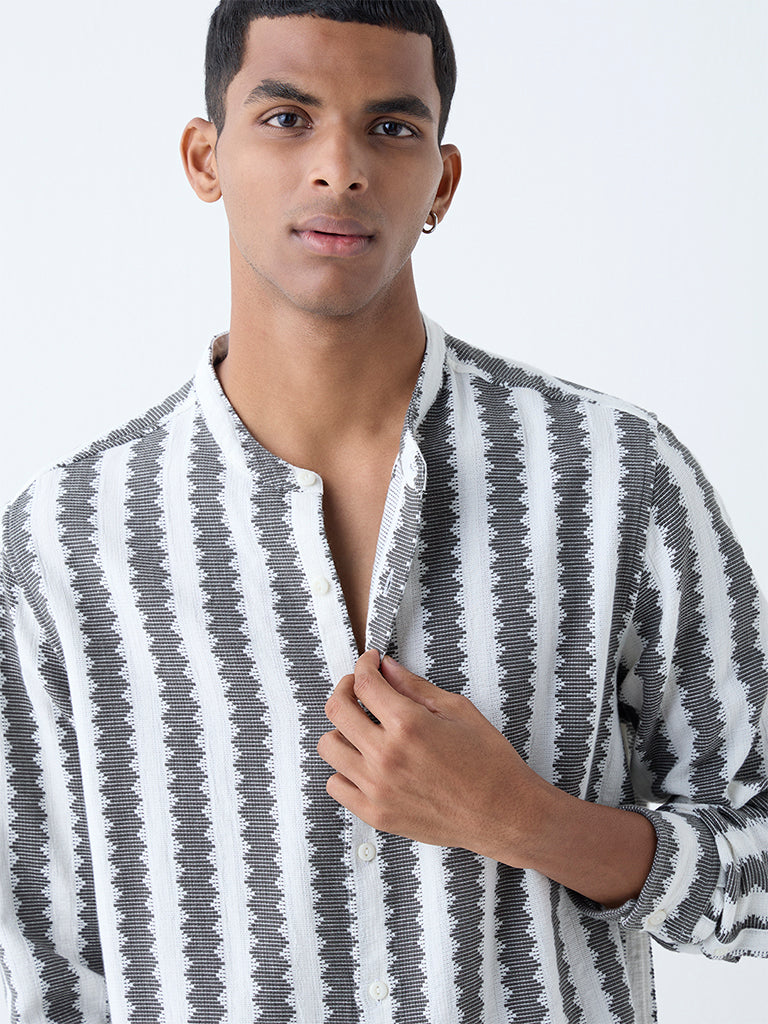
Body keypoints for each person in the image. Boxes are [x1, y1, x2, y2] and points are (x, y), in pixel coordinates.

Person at [1, 1, 766, 1021]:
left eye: (391, 127)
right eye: (287, 118)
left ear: (442, 181)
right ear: (205, 158)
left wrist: (529, 822)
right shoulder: (71, 540)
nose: (340, 169)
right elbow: (45, 973)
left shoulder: (612, 476)